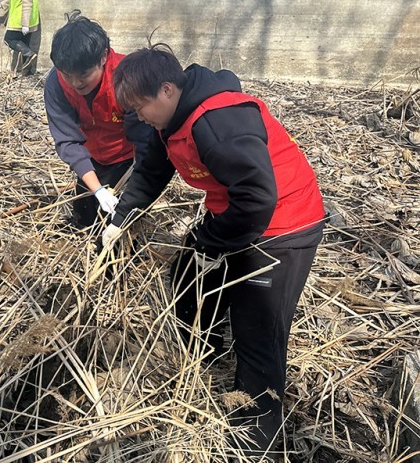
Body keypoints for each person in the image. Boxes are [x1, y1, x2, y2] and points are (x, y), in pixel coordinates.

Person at [101, 44, 325, 457]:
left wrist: (214, 241)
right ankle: (197, 360)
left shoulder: (217, 123)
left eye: (140, 106)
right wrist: (122, 217)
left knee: (258, 333)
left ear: (167, 89)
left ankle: (256, 439)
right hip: (236, 214)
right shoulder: (169, 120)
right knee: (189, 276)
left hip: (284, 225)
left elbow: (259, 199)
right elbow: (151, 170)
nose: (138, 117)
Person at [44, 12, 152, 228]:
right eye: (67, 74)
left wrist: (138, 181)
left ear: (103, 57)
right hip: (90, 157)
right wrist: (98, 189)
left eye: (83, 73)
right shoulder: (56, 84)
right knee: (84, 219)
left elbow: (145, 139)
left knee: (118, 225)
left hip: (126, 159)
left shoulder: (126, 78)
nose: (76, 83)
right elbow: (67, 140)